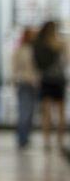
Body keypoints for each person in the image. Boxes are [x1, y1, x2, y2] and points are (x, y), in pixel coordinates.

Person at [34, 20, 67, 152]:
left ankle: (48, 140)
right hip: (57, 80)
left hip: (47, 79)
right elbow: (66, 60)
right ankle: (58, 140)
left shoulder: (40, 44)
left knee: (47, 112)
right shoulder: (59, 43)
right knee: (59, 112)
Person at [12, 27, 39, 150]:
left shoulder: (21, 50)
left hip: (25, 82)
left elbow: (15, 68)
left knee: (25, 111)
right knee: (27, 112)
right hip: (29, 83)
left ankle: (23, 137)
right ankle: (23, 137)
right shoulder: (32, 51)